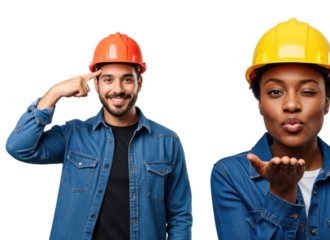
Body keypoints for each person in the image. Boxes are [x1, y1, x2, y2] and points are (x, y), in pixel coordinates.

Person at [208, 17, 330, 239]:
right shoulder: (229, 175)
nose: (291, 105)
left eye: (307, 91)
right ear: (259, 104)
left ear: (327, 101)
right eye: (275, 92)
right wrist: (281, 194)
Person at [4, 31, 194, 240]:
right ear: (95, 85)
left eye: (127, 79)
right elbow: (17, 147)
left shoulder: (169, 141)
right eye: (108, 79)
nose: (118, 89)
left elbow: (180, 216)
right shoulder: (73, 134)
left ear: (140, 84)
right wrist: (55, 92)